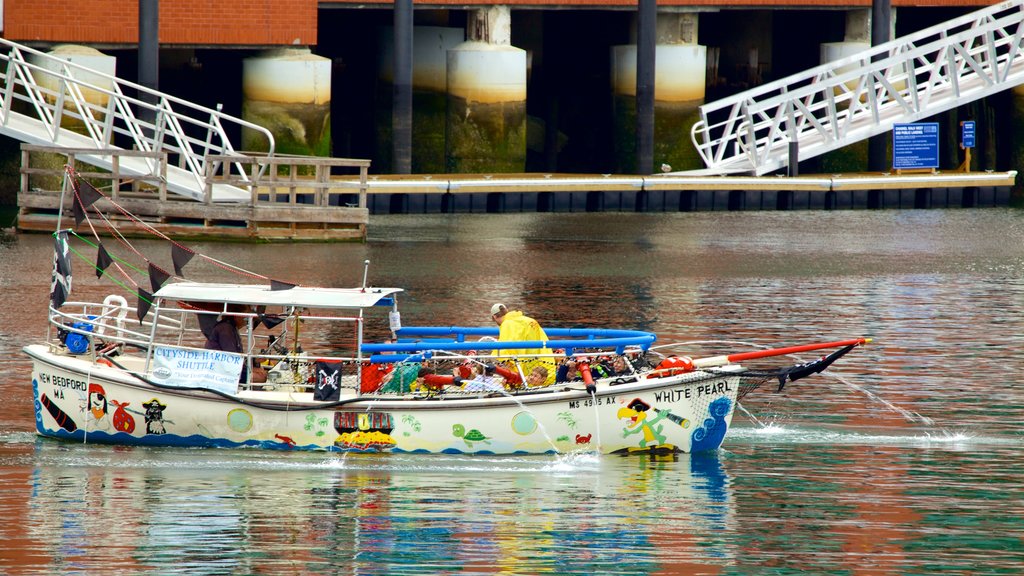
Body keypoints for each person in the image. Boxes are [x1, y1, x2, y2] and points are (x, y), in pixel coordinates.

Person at [490, 303, 556, 385]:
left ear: (494, 317)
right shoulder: (528, 320)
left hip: (522, 365)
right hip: (538, 361)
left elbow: (504, 349)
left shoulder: (507, 324)